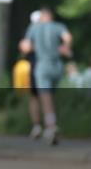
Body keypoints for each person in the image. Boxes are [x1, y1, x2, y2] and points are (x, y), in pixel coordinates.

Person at [20, 8, 72, 145]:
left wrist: (33, 47)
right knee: (53, 95)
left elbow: (25, 47)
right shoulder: (59, 26)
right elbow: (68, 38)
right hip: (58, 66)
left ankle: (51, 125)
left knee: (45, 97)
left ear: (42, 17)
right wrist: (64, 47)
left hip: (42, 66)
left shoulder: (34, 28)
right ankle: (54, 121)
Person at [23, 10, 44, 139]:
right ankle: (50, 123)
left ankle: (37, 126)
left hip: (36, 65)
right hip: (51, 65)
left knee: (35, 96)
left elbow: (25, 47)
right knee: (47, 95)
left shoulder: (31, 29)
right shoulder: (52, 29)